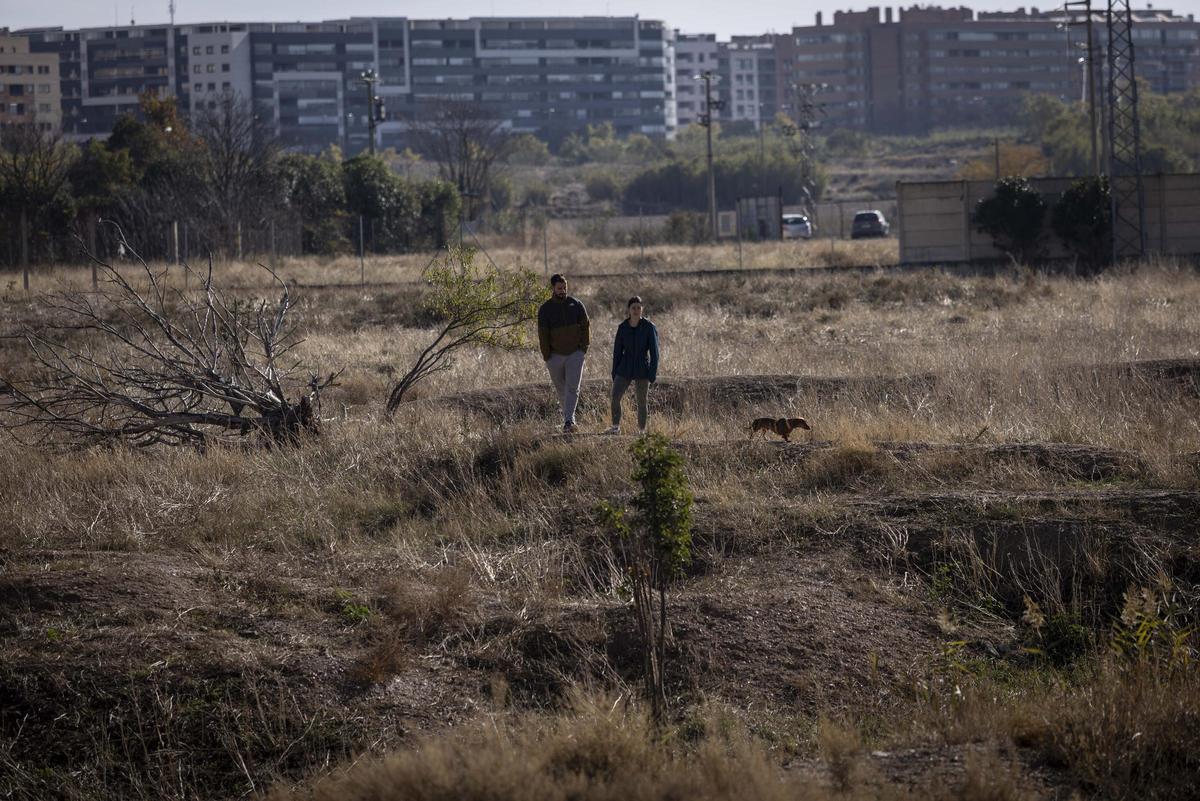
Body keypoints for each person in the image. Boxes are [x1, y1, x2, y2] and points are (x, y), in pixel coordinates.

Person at [537, 273, 590, 433]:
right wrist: (547, 356)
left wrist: (583, 348)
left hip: (575, 354)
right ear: (553, 288)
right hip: (555, 356)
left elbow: (586, 326)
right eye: (559, 288)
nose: (563, 291)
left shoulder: (576, 304)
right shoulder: (545, 309)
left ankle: (569, 421)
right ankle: (568, 418)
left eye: (564, 287)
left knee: (573, 388)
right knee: (561, 390)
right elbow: (543, 335)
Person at [605, 295, 659, 435]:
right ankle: (615, 427)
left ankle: (641, 430)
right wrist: (614, 372)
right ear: (628, 310)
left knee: (642, 401)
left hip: (642, 367)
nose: (636, 310)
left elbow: (655, 352)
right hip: (625, 367)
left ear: (642, 309)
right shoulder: (622, 327)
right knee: (615, 396)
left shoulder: (649, 327)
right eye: (633, 308)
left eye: (638, 308)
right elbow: (617, 352)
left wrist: (652, 373)